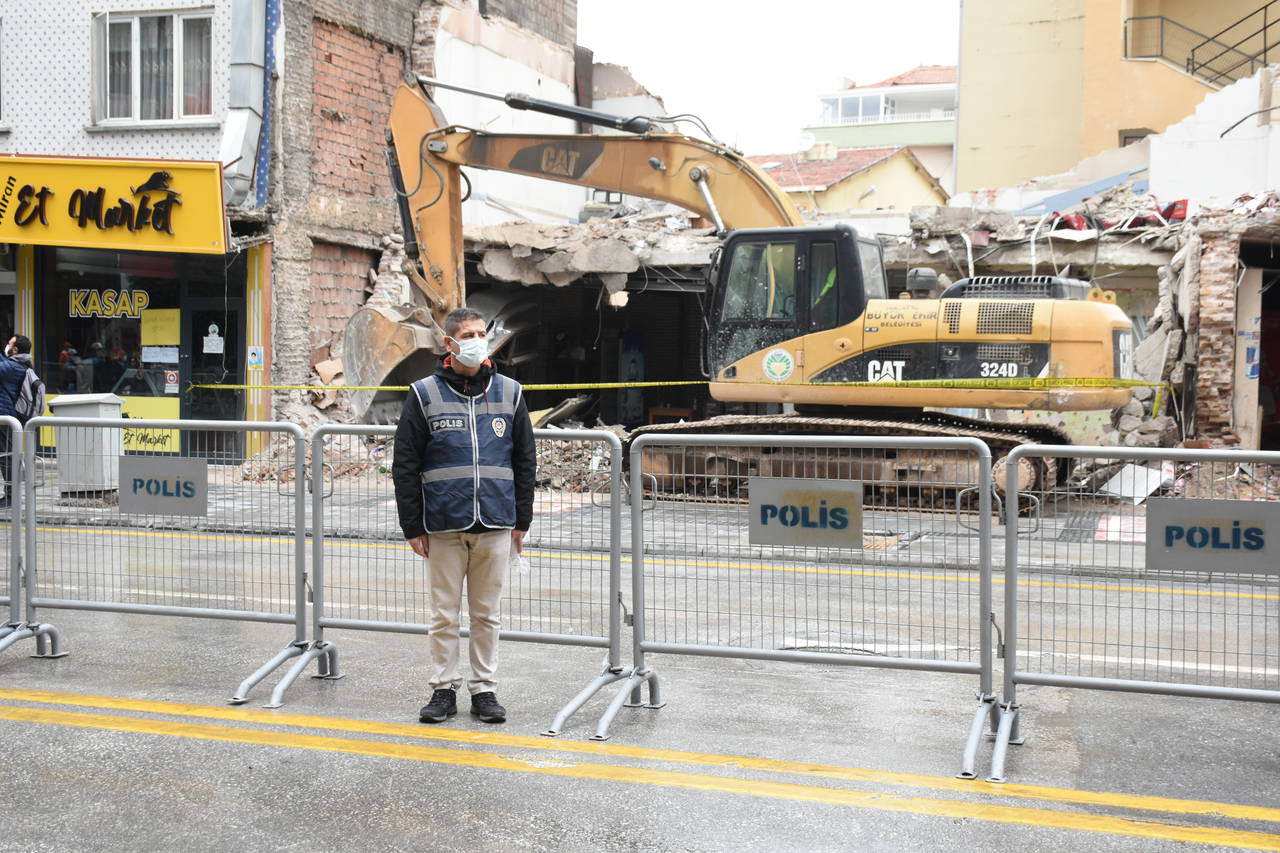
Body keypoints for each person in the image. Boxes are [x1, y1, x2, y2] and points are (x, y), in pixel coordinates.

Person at [393, 307, 535, 725]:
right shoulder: (423, 394)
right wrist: (412, 524)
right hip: (443, 522)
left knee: (487, 613)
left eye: (481, 332)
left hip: (495, 520)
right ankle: (443, 689)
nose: (477, 339)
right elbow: (405, 464)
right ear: (449, 344)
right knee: (443, 613)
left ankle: (484, 689)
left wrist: (521, 520)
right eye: (468, 334)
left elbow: (524, 460)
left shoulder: (510, 392)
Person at [0, 335, 37, 507]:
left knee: (7, 457)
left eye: (9, 344)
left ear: (15, 350)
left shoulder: (14, 367)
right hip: (6, 416)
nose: (7, 346)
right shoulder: (18, 364)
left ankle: (11, 497)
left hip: (6, 417)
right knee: (6, 456)